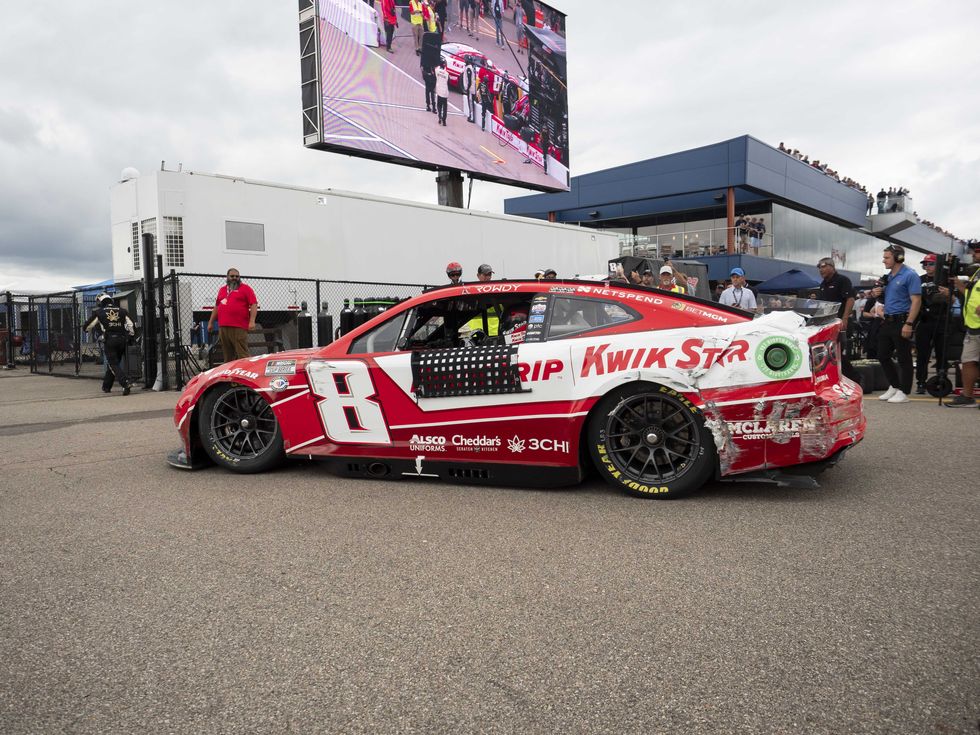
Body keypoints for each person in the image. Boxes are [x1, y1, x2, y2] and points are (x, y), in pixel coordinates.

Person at [870, 244, 921, 404]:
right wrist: (877, 293)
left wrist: (909, 323)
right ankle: (894, 385)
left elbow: (916, 301)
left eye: (886, 257)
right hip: (887, 320)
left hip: (902, 321)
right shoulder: (889, 277)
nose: (883, 260)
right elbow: (887, 298)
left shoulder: (910, 275)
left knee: (904, 357)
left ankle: (904, 392)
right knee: (882, 355)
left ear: (898, 258)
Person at [947, 243, 980, 407]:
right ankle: (967, 396)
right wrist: (960, 288)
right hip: (972, 326)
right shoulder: (977, 273)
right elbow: (972, 296)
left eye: (977, 252)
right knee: (968, 361)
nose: (974, 254)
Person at [84, 293, 135, 395]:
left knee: (113, 364)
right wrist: (130, 336)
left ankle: (125, 382)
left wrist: (86, 329)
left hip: (109, 341)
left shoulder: (99, 312)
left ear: (101, 302)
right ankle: (106, 386)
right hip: (122, 340)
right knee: (114, 364)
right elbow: (131, 325)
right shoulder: (122, 311)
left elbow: (88, 326)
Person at [914, 253, 951, 394]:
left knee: (942, 354)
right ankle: (921, 383)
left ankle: (942, 380)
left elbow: (956, 301)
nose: (927, 267)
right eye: (925, 264)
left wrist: (949, 295)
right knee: (922, 354)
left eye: (930, 264)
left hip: (942, 320)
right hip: (924, 320)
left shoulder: (946, 281)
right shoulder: (918, 280)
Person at [815, 257, 856, 378]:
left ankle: (855, 378)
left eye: (823, 266)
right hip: (827, 324)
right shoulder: (822, 284)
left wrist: (845, 319)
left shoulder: (842, 280)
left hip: (840, 323)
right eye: (819, 267)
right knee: (829, 353)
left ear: (831, 267)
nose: (820, 270)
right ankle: (836, 378)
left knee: (837, 353)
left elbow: (850, 299)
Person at [207, 268, 258, 363]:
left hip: (239, 327)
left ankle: (247, 373)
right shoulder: (222, 290)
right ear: (227, 277)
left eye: (237, 276)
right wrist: (210, 322)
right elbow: (217, 306)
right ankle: (230, 376)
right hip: (223, 327)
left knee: (242, 354)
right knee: (227, 355)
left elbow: (254, 304)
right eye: (232, 276)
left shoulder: (246, 288)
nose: (234, 278)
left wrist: (252, 321)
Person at [435, 59, 450, 125]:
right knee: (445, 107)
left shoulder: (437, 71)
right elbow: (448, 81)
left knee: (439, 106)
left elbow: (436, 67)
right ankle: (444, 120)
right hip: (445, 93)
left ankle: (439, 118)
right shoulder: (447, 74)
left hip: (439, 91)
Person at [460, 59, 476, 123]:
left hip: (470, 90)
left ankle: (472, 117)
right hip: (470, 89)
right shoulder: (468, 68)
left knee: (471, 103)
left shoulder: (469, 68)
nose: (464, 61)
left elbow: (469, 80)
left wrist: (467, 88)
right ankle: (470, 115)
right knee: (470, 103)